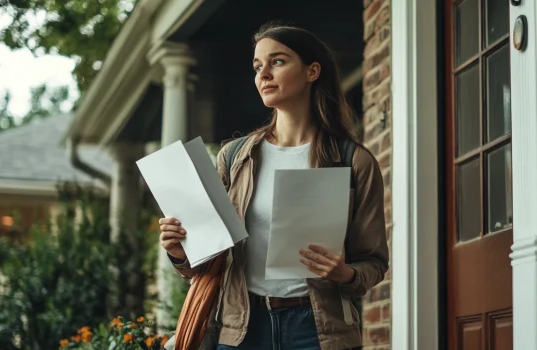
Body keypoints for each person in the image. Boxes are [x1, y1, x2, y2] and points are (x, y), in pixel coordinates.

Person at [157, 23, 389, 350]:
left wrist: (345, 274)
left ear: (312, 71)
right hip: (242, 328)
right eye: (257, 66)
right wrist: (180, 251)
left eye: (277, 61)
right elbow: (208, 263)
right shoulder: (235, 157)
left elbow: (374, 263)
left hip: (318, 330)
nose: (263, 74)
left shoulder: (353, 161)